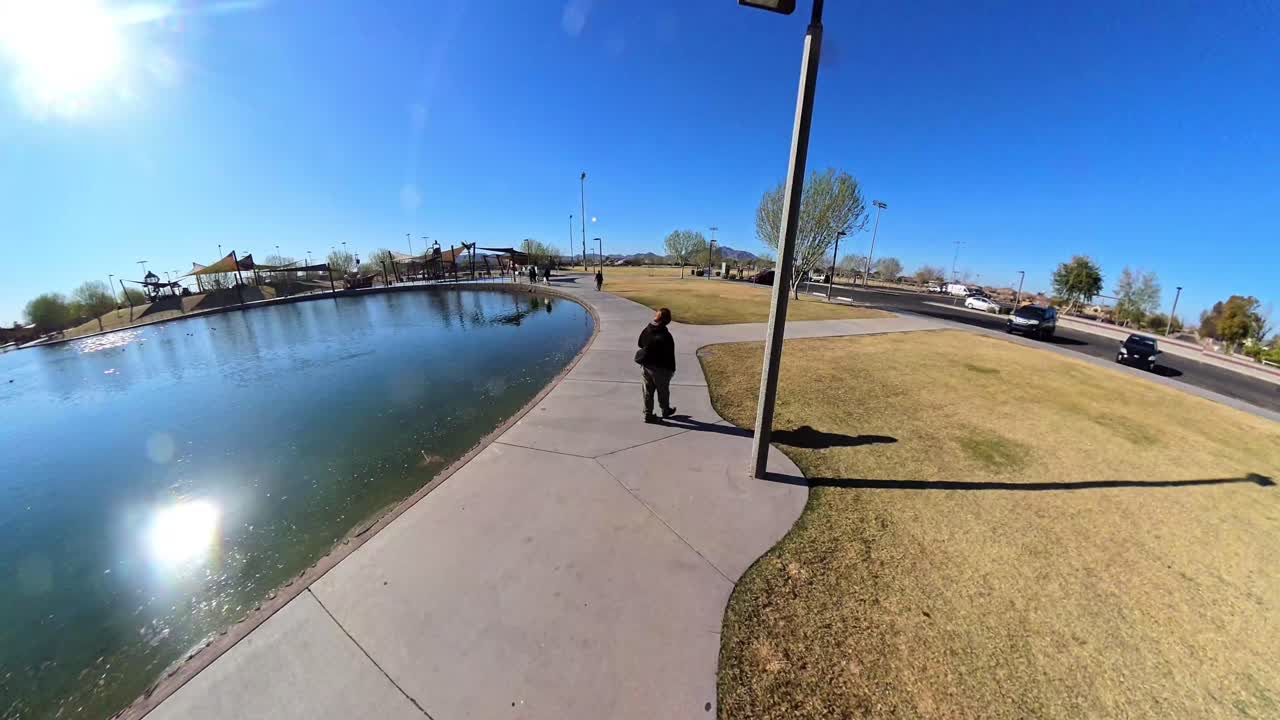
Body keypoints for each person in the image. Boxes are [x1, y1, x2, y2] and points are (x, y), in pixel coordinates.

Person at [635, 308, 677, 423]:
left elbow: (640, 344)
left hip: (646, 366)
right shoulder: (666, 336)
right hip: (661, 369)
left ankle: (648, 414)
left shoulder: (647, 329)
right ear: (667, 320)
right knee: (663, 391)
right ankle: (665, 410)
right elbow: (670, 356)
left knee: (648, 391)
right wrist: (671, 370)